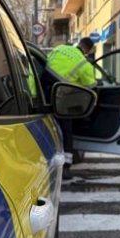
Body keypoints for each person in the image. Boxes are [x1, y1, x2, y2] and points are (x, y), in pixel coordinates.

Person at [46, 37, 97, 175]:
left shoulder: (60, 48)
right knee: (66, 130)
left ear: (79, 44)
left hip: (43, 93)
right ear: (88, 50)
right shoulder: (84, 64)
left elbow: (45, 62)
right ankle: (67, 166)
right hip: (62, 100)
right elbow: (91, 87)